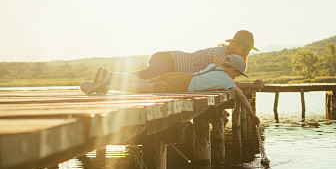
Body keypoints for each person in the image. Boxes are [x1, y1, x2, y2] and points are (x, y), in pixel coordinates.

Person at [80, 54, 260, 125]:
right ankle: (108, 84)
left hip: (180, 76)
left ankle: (110, 74)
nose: (235, 78)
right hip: (181, 84)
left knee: (142, 80)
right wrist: (252, 116)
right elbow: (241, 96)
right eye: (237, 74)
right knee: (140, 88)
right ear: (233, 70)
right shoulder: (227, 79)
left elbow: (235, 85)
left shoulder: (216, 68)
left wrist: (250, 86)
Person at [135, 30, 259, 81]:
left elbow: (226, 82)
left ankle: (119, 78)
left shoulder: (230, 61)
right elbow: (223, 78)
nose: (245, 53)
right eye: (243, 49)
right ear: (234, 45)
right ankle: (117, 78)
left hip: (173, 70)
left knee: (148, 80)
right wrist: (250, 85)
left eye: (248, 51)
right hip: (169, 60)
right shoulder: (221, 53)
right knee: (145, 76)